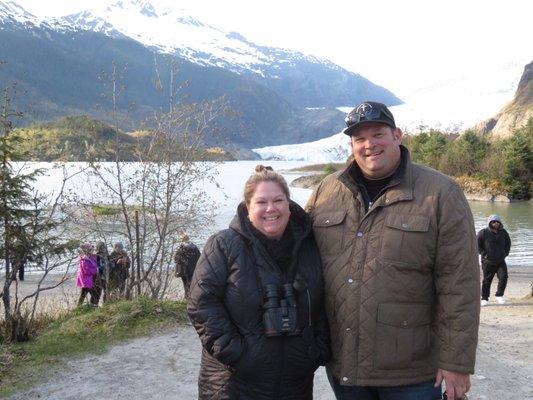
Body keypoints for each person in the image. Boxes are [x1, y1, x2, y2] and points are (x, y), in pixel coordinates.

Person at [305, 101, 480, 400]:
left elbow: (460, 283)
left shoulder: (441, 193)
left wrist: (456, 362)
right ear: (351, 145)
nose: (369, 145)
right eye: (359, 138)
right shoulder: (326, 191)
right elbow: (292, 251)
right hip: (345, 366)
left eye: (378, 134)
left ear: (397, 135)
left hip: (413, 374)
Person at [187, 165, 330, 400]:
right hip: (233, 383)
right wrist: (237, 352)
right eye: (261, 202)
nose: (271, 209)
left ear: (289, 205)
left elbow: (326, 297)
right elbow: (201, 302)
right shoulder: (224, 244)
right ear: (247, 208)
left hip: (294, 383)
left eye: (278, 200)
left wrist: (316, 350)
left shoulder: (308, 247)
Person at [477, 214, 511, 306]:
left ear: (500, 223)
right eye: (493, 222)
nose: (496, 223)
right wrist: (484, 254)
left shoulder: (504, 232)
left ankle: (499, 295)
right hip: (487, 261)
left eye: (497, 222)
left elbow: (508, 243)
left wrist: (505, 253)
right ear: (490, 223)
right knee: (487, 280)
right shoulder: (483, 232)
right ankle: (484, 298)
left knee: (504, 277)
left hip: (500, 261)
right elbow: (477, 245)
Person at [174, 233, 200, 299]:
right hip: (192, 269)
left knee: (185, 283)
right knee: (191, 283)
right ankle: (191, 297)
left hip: (183, 269)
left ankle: (187, 297)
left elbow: (176, 259)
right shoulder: (194, 247)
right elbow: (199, 257)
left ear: (182, 239)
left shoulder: (181, 248)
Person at [76, 242, 99, 306]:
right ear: (88, 250)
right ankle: (93, 306)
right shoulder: (84, 260)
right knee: (94, 295)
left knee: (83, 295)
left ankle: (79, 307)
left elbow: (94, 263)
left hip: (87, 280)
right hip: (86, 281)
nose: (92, 251)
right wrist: (95, 271)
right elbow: (87, 271)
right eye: (91, 250)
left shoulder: (89, 258)